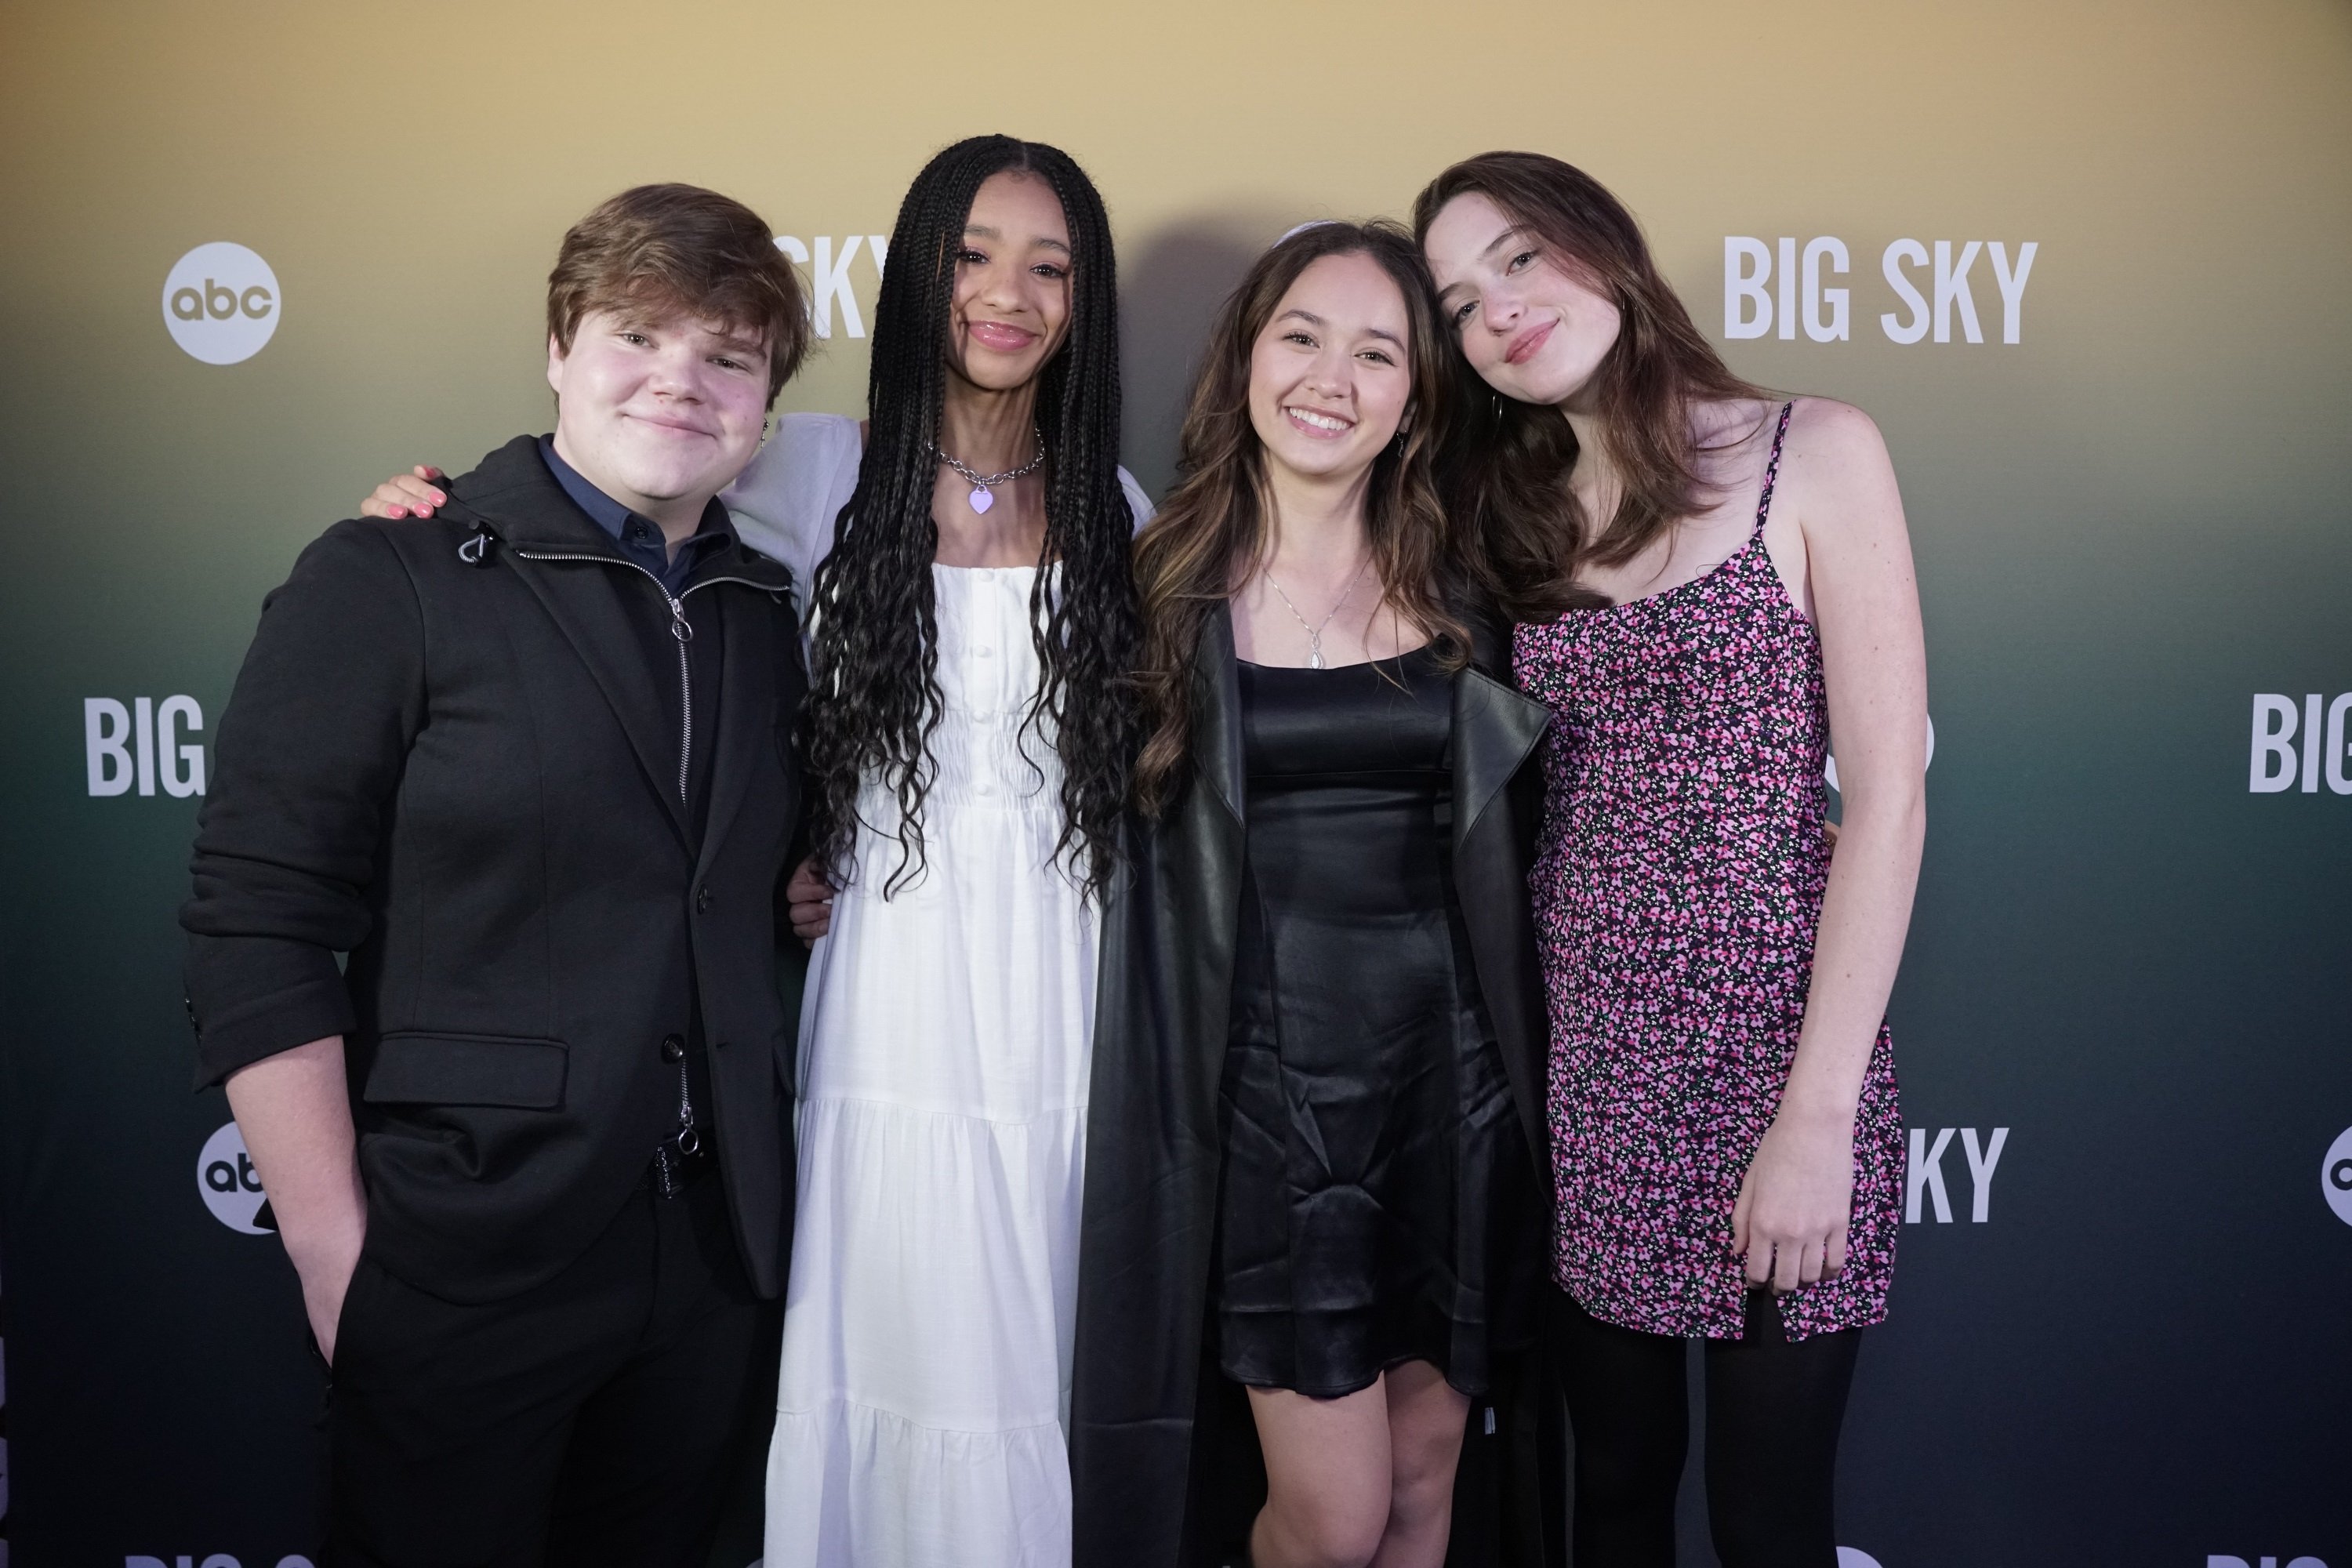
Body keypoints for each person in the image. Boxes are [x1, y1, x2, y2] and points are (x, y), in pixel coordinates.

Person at [364, 133, 1149, 1568]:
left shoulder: (1125, 514)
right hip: (886, 998)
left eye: (1053, 267)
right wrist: (431, 509)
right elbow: (604, 513)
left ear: (1087, 304)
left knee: (1046, 1342)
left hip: (1070, 996)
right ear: (918, 270)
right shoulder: (801, 468)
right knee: (896, 1332)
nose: (1010, 294)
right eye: (974, 254)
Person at [183, 183, 813, 1566]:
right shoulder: (393, 571)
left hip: (718, 1266)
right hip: (464, 1257)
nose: (681, 382)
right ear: (558, 349)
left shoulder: (763, 610)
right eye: (638, 336)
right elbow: (259, 919)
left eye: (729, 356)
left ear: (767, 401)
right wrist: (335, 1261)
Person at [1417, 152, 1929, 1567]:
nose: (1497, 312)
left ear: (1602, 245)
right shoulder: (1500, 519)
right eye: (1460, 302)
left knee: (1770, 1520)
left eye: (1518, 258)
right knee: (1619, 1502)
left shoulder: (1813, 449)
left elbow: (1888, 802)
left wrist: (1817, 1119)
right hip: (1595, 1074)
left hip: (1786, 1063)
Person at [1070, 220, 1561, 1568]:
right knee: (1332, 1518)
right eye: (1300, 335)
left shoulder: (1481, 585)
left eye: (1376, 350)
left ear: (1416, 399)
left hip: (1456, 1088)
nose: (1330, 377)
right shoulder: (1152, 584)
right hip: (1268, 1099)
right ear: (1244, 362)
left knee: (1421, 1484)